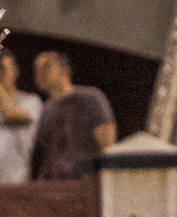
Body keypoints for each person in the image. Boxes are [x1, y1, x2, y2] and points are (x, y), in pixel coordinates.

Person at [31, 51, 117, 180]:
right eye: (37, 68)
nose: (41, 72)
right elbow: (45, 155)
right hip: (58, 187)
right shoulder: (46, 110)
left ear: (64, 71)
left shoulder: (91, 98)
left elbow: (108, 145)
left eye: (47, 66)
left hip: (87, 184)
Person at [0, 50, 44, 184]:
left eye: (2, 69)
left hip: (19, 182)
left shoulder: (31, 101)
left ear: (15, 71)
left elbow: (11, 115)